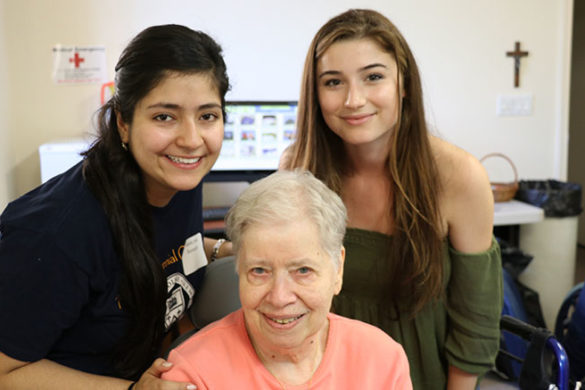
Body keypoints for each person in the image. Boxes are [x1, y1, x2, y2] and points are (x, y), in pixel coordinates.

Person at [280, 9, 503, 390]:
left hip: (418, 377)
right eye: (333, 82)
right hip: (319, 376)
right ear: (315, 94)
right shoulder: (298, 167)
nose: (353, 100)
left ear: (403, 83)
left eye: (373, 77)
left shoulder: (459, 177)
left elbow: (475, 324)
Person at [0, 24, 232, 389]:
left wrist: (223, 249)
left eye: (207, 116)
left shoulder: (177, 179)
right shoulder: (54, 235)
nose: (191, 140)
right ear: (123, 122)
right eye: (164, 117)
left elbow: (159, 247)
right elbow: (4, 372)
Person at [162, 170, 413, 389]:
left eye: (303, 271)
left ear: (338, 270)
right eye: (259, 271)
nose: (280, 297)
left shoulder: (383, 359)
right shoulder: (190, 374)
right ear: (238, 269)